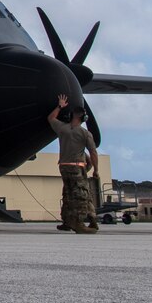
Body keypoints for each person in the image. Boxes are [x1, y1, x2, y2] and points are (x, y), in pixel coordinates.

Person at [47, 94, 99, 234]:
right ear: (84, 118)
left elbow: (51, 118)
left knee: (68, 194)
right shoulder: (85, 133)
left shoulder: (62, 129)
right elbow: (93, 152)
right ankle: (79, 223)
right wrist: (96, 170)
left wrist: (59, 106)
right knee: (81, 194)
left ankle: (68, 221)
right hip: (77, 167)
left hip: (64, 166)